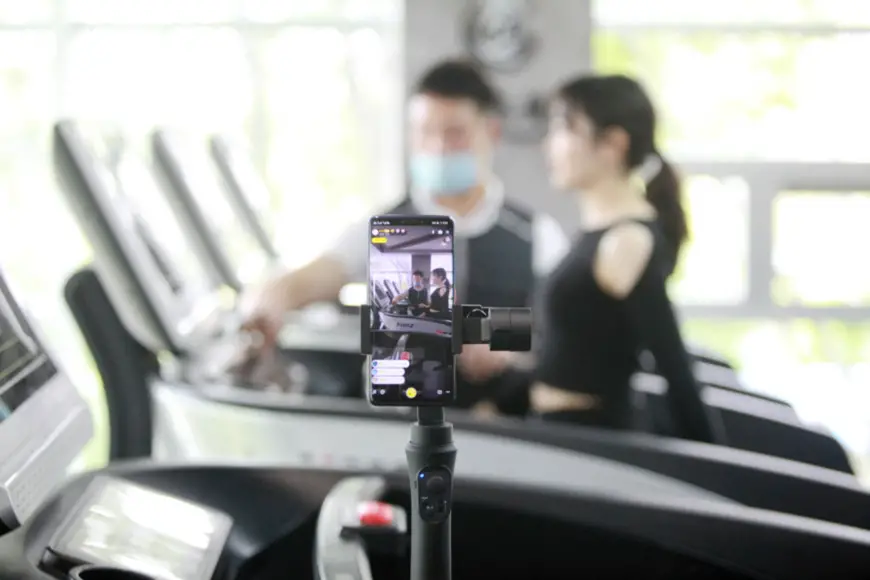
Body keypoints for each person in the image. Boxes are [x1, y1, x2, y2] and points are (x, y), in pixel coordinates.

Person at [242, 58, 569, 404]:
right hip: (404, 419)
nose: (438, 146)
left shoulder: (536, 234)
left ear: (490, 132)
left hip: (505, 423)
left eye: (454, 133)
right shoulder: (383, 227)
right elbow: (310, 279)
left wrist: (499, 340)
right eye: (425, 131)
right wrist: (266, 302)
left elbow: (563, 328)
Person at [529, 73, 724, 444]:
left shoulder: (627, 241)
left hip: (590, 443)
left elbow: (675, 367)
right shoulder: (598, 233)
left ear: (613, 144)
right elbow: (566, 338)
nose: (549, 146)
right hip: (557, 436)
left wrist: (721, 475)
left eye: (564, 130)